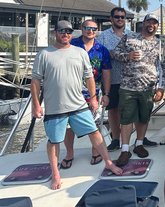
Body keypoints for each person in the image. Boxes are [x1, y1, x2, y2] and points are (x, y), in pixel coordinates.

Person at [31, 21, 122, 190]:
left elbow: (89, 77)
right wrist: (36, 105)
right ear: (55, 33)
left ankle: (108, 162)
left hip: (79, 104)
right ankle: (55, 173)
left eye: (68, 31)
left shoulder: (80, 52)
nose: (65, 34)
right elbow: (35, 80)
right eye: (62, 31)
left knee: (95, 132)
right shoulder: (43, 54)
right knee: (54, 140)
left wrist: (94, 98)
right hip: (55, 107)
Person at [111, 13, 165, 166]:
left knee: (144, 117)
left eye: (154, 22)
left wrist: (161, 88)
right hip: (128, 86)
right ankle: (124, 149)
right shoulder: (129, 38)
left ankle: (139, 144)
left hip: (148, 88)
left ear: (157, 25)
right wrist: (127, 56)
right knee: (127, 118)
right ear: (143, 23)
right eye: (149, 21)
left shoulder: (159, 45)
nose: (151, 24)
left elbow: (164, 67)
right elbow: (114, 53)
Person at [61, 19, 112, 168]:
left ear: (97, 31)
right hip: (70, 91)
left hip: (92, 93)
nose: (90, 31)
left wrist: (106, 93)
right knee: (68, 125)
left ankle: (95, 151)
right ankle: (69, 153)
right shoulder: (71, 45)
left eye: (94, 29)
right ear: (82, 29)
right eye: (87, 28)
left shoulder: (102, 50)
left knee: (93, 124)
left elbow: (106, 73)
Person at [97, 7, 134, 151]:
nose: (120, 19)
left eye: (122, 17)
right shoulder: (103, 36)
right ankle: (115, 139)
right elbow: (102, 54)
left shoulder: (132, 35)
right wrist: (122, 55)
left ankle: (138, 139)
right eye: (117, 17)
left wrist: (116, 54)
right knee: (113, 110)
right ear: (111, 18)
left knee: (131, 109)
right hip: (111, 79)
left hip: (130, 79)